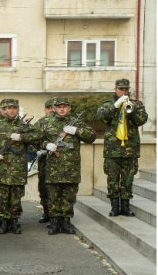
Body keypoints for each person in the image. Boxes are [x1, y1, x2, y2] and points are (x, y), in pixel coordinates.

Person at [38, 97, 96, 234]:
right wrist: (45, 145)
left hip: (71, 168)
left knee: (69, 196)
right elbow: (35, 138)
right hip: (53, 168)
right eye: (59, 106)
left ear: (69, 108)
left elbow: (91, 136)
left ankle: (66, 222)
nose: (62, 109)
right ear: (54, 108)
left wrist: (77, 131)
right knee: (53, 196)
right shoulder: (46, 122)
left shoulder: (77, 122)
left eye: (65, 106)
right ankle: (54, 223)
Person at [0, 99, 37, 234]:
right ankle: (3, 220)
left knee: (16, 196)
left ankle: (14, 221)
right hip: (0, 168)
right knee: (1, 196)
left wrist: (21, 138)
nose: (11, 110)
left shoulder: (24, 125)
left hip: (17, 168)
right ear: (3, 109)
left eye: (14, 108)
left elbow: (37, 136)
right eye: (8, 108)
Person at [97, 79, 148, 217]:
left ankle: (126, 207)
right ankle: (115, 207)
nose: (124, 91)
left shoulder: (136, 104)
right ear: (115, 89)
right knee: (113, 179)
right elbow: (102, 117)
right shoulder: (107, 104)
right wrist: (115, 106)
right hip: (113, 149)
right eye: (121, 89)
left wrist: (132, 111)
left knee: (128, 179)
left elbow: (141, 120)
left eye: (126, 89)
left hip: (130, 149)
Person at [32, 98, 56, 223]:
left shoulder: (63, 123)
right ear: (45, 109)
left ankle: (56, 215)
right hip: (45, 162)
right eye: (49, 108)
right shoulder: (40, 123)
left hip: (59, 162)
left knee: (57, 189)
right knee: (43, 188)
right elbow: (31, 139)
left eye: (53, 107)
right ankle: (46, 212)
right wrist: (38, 149)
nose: (51, 110)